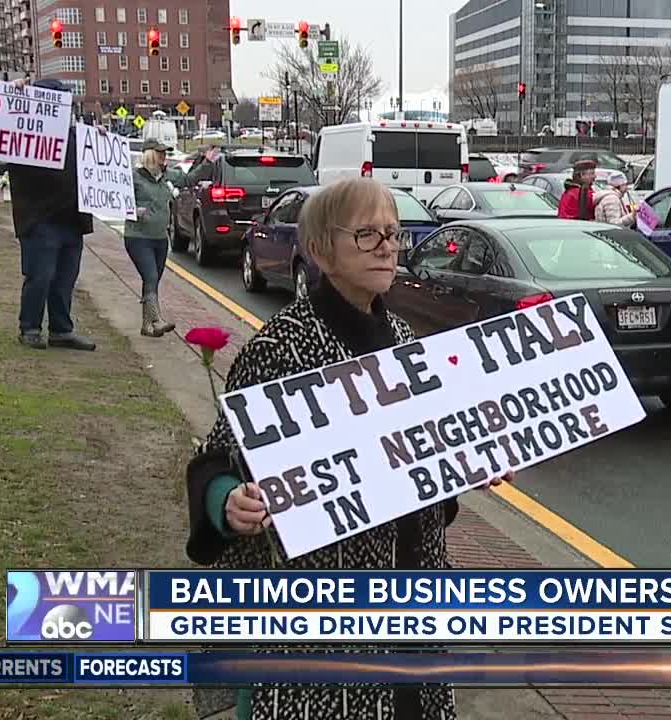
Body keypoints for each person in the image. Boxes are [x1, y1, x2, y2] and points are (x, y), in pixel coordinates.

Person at [184, 177, 514, 720]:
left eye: (392, 232)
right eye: (366, 235)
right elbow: (221, 457)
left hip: (415, 583)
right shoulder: (280, 347)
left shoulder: (406, 340)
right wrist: (227, 501)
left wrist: (464, 462)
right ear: (319, 251)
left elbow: (422, 455)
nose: (387, 246)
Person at [8, 77, 96, 351]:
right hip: (39, 218)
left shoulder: (76, 136)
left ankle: (61, 330)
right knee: (40, 275)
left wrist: (101, 141)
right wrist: (14, 96)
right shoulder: (24, 134)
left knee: (65, 279)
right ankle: (30, 327)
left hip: (71, 220)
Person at [124, 138, 184, 337]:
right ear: (150, 155)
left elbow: (188, 180)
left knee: (152, 281)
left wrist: (206, 161)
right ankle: (156, 320)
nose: (164, 158)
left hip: (160, 238)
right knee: (149, 276)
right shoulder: (134, 178)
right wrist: (134, 211)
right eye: (160, 154)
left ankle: (146, 326)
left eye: (165, 154)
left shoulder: (166, 177)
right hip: (138, 237)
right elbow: (119, 202)